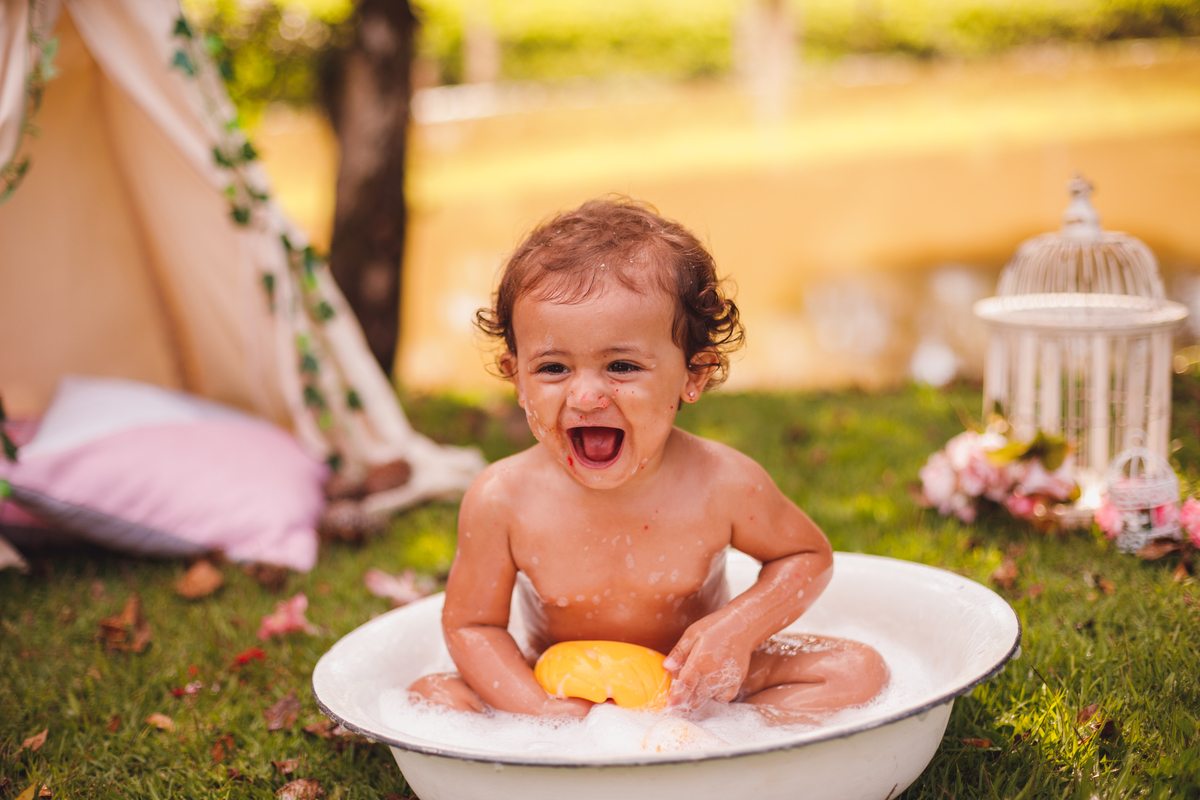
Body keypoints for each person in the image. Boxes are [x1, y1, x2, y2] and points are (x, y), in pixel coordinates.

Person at [409, 197, 888, 722]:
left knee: (855, 669)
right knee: (435, 695)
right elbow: (472, 627)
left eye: (621, 365)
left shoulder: (722, 483)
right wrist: (542, 711)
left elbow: (806, 558)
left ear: (694, 374)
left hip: (696, 683)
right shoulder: (502, 499)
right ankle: (591, 755)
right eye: (552, 368)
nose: (586, 396)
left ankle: (729, 747)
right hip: (562, 686)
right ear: (516, 376)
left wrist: (735, 629)